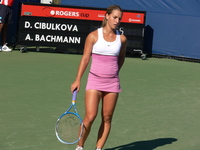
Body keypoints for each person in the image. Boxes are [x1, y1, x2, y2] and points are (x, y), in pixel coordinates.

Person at [71, 5, 127, 150]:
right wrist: (78, 79)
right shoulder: (93, 36)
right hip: (94, 81)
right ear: (106, 16)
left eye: (119, 18)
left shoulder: (122, 39)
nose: (117, 21)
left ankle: (98, 148)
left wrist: (114, 72)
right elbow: (85, 59)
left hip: (112, 83)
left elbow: (121, 58)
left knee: (107, 118)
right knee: (90, 117)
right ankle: (80, 146)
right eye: (114, 17)